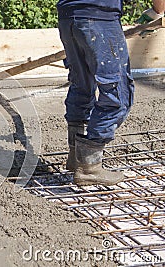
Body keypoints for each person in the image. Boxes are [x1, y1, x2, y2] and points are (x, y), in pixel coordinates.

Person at [56, 0, 165, 186]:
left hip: (68, 17)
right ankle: (89, 167)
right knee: (117, 95)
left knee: (81, 85)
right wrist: (157, 11)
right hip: (99, 18)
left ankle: (76, 156)